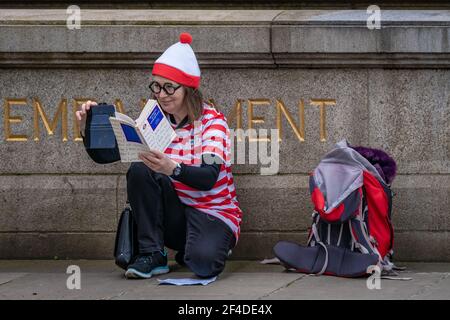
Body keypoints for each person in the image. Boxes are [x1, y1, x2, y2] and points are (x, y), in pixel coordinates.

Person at [75, 32, 243, 279]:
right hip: (176, 213)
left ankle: (199, 248)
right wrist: (87, 130)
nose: (161, 94)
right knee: (140, 168)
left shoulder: (212, 122)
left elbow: (208, 177)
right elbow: (108, 155)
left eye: (169, 87)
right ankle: (153, 253)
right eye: (156, 86)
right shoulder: (154, 119)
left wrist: (172, 167)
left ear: (188, 89)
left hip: (213, 213)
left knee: (204, 265)